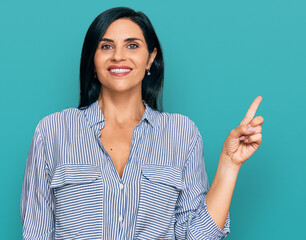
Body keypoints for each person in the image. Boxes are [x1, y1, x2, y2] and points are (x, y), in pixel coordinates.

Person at [20, 7, 264, 240]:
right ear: (92, 59)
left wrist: (229, 165)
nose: (118, 56)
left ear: (150, 58)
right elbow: (36, 232)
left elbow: (196, 236)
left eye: (132, 45)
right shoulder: (52, 131)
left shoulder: (182, 133)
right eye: (106, 46)